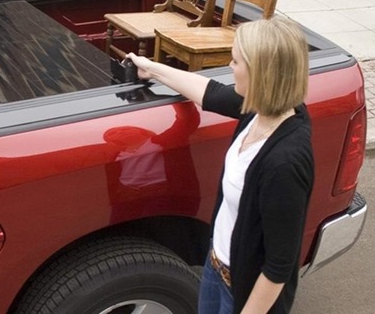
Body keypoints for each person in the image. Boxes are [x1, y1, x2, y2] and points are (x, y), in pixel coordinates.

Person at [125, 16, 314, 314]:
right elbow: (209, 92)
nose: (229, 66)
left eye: (236, 61)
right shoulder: (258, 109)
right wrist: (153, 69)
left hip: (241, 292)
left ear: (261, 74)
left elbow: (279, 265)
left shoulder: (285, 162)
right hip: (216, 268)